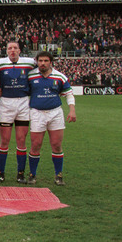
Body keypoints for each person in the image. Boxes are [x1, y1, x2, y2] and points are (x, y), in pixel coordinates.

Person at [26, 51, 76, 186]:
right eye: (40, 61)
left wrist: (72, 110)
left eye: (46, 61)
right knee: (36, 145)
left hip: (55, 113)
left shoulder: (60, 77)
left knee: (56, 145)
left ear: (50, 62)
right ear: (37, 61)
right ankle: (32, 174)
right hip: (37, 113)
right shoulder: (30, 76)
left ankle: (58, 175)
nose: (43, 63)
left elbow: (69, 94)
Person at [0, 41, 37, 184]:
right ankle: (0, 174)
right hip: (6, 103)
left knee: (21, 140)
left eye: (15, 48)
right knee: (4, 141)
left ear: (19, 50)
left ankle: (20, 174)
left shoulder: (30, 63)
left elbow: (43, 68)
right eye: (10, 48)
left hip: (23, 103)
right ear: (6, 51)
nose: (12, 50)